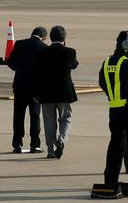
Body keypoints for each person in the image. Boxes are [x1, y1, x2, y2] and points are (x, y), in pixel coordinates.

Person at [98, 30, 128, 194]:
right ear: (126, 44)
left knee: (115, 145)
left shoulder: (107, 61)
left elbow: (102, 82)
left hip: (114, 109)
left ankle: (110, 179)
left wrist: (113, 96)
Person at [38, 25, 77, 159]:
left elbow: (38, 73)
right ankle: (62, 139)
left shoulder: (43, 52)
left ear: (50, 37)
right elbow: (74, 65)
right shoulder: (70, 52)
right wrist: (66, 47)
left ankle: (50, 149)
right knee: (65, 118)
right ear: (64, 38)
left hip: (46, 92)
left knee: (49, 121)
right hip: (64, 92)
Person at [7, 26, 47, 153]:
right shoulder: (44, 47)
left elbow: (9, 61)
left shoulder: (20, 44)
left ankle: (17, 144)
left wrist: (19, 69)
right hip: (36, 88)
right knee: (35, 116)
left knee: (18, 115)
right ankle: (34, 144)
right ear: (44, 37)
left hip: (20, 85)